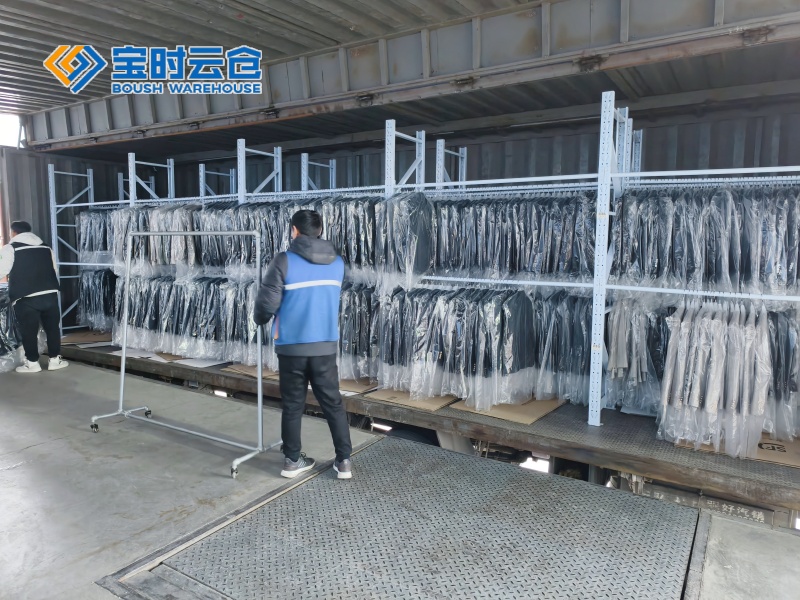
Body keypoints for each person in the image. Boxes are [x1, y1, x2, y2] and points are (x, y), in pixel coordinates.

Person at [254, 210, 353, 480]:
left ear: (294, 231)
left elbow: (267, 303)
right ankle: (344, 461)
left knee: (293, 404)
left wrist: (259, 319)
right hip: (324, 347)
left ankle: (292, 461)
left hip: (291, 347)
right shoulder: (338, 263)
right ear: (320, 231)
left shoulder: (283, 261)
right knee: (333, 403)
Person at [0, 221, 68, 374]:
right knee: (52, 328)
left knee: (28, 331)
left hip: (25, 297)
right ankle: (55, 361)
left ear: (14, 232)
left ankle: (32, 363)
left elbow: (2, 270)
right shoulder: (46, 248)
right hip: (50, 295)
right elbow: (54, 269)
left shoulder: (10, 248)